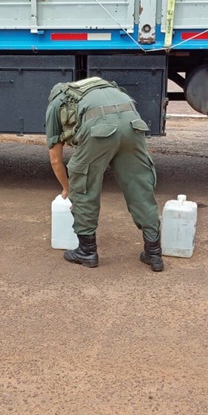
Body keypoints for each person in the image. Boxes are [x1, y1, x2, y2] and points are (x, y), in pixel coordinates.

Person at [45, 77, 163, 272]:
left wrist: (67, 189)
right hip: (133, 123)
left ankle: (87, 251)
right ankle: (154, 252)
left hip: (99, 129)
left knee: (83, 183)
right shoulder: (99, 88)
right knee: (139, 186)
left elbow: (55, 160)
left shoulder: (56, 103)